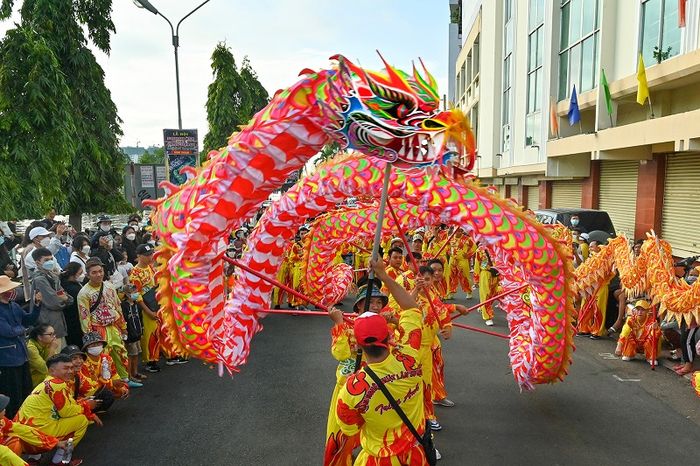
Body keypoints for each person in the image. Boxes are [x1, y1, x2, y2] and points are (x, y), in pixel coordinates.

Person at [335, 258, 433, 464]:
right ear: (389, 337)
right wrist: (383, 274)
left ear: (358, 345)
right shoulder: (411, 356)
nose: (377, 305)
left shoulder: (350, 391)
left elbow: (350, 427)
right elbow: (412, 309)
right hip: (414, 456)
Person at [324, 285, 388, 466]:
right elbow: (340, 354)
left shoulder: (384, 325)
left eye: (379, 302)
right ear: (359, 306)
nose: (376, 306)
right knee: (342, 432)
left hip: (376, 386)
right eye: (371, 302)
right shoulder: (347, 324)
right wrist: (338, 324)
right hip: (349, 386)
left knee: (378, 433)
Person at [16, 353, 101, 465]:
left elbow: (68, 405)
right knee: (82, 420)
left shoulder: (46, 382)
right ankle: (61, 461)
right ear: (52, 371)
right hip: (36, 437)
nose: (70, 371)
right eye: (65, 368)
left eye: (71, 367)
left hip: (23, 436)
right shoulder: (57, 384)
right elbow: (66, 412)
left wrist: (84, 406)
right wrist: (87, 406)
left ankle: (35, 458)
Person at [76, 258, 129, 380]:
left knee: (120, 352)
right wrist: (90, 337)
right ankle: (107, 383)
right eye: (94, 272)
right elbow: (84, 317)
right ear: (88, 274)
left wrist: (123, 327)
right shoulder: (84, 293)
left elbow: (118, 307)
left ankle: (124, 379)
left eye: (100, 271)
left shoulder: (110, 286)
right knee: (103, 358)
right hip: (98, 329)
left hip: (114, 327)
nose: (98, 274)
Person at [0, 275, 42, 418]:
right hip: (7, 359)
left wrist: (37, 305)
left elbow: (28, 319)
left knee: (25, 390)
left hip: (22, 356)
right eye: (10, 289)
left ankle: (27, 417)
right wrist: (23, 330)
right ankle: (14, 420)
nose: (13, 291)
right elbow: (8, 331)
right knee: (13, 393)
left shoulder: (14, 305)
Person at [0, 393, 66, 466]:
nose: (5, 410)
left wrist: (55, 442)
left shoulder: (2, 421)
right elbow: (5, 454)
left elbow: (23, 430)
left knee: (15, 442)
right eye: (2, 409)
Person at [129, 244, 165, 372]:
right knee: (150, 334)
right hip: (146, 307)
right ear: (138, 256)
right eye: (147, 255)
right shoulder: (134, 273)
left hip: (156, 303)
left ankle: (156, 355)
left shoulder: (151, 267)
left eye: (151, 254)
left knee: (158, 331)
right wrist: (148, 311)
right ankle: (150, 361)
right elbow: (136, 295)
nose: (150, 257)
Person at [31, 248, 72, 347]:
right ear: (38, 262)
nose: (49, 262)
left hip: (58, 322)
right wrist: (65, 300)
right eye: (46, 260)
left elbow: (65, 295)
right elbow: (54, 302)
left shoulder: (53, 276)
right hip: (48, 324)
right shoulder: (39, 279)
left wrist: (66, 299)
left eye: (51, 259)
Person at [80, 332, 130, 408]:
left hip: (104, 384)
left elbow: (114, 374)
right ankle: (93, 409)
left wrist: (122, 386)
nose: (96, 346)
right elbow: (89, 385)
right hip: (89, 390)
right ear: (86, 348)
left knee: (122, 388)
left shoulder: (107, 358)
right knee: (107, 395)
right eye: (93, 345)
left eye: (98, 344)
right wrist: (111, 383)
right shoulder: (83, 363)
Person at [614, 300, 661, 365]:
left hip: (646, 343)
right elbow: (625, 331)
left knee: (652, 336)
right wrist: (619, 346)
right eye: (638, 310)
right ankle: (629, 353)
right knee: (628, 334)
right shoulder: (631, 319)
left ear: (647, 311)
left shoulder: (652, 321)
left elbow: (657, 335)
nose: (640, 312)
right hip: (635, 342)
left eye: (642, 310)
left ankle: (651, 357)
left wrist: (655, 329)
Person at [121, 284, 146, 386]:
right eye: (133, 292)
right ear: (127, 294)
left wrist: (142, 329)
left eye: (136, 292)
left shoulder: (136, 304)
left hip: (137, 333)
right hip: (130, 335)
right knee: (130, 355)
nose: (136, 294)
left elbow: (140, 318)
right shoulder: (124, 306)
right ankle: (129, 375)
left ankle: (135, 372)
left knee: (136, 354)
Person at [60, 263, 85, 348]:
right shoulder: (73, 289)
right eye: (80, 273)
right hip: (75, 321)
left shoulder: (63, 284)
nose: (82, 275)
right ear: (73, 274)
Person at [474, 245, 497, 326]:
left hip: (497, 274)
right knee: (485, 295)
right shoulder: (480, 250)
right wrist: (476, 279)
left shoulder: (499, 247)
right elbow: (477, 265)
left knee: (495, 294)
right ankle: (487, 317)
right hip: (485, 273)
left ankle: (482, 306)